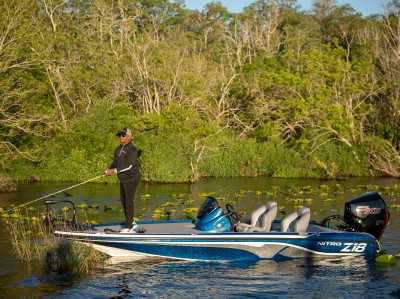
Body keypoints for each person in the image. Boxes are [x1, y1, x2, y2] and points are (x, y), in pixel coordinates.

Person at [105, 128, 141, 233]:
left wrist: (114, 171)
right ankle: (131, 222)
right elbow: (115, 163)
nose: (121, 137)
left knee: (128, 201)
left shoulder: (132, 150)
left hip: (132, 178)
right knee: (124, 201)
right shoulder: (118, 149)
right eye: (120, 135)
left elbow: (129, 166)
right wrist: (108, 170)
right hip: (123, 179)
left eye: (123, 135)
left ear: (129, 137)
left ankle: (129, 227)